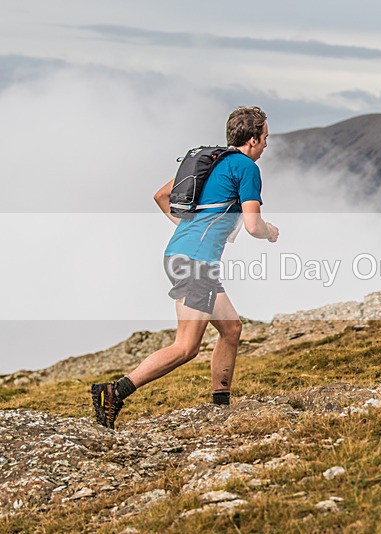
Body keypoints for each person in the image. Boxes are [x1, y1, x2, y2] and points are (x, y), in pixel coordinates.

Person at [91, 106, 280, 429]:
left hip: (182, 254)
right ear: (252, 140)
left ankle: (220, 405)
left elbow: (161, 195)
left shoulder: (213, 161)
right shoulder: (246, 168)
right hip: (196, 262)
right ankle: (115, 392)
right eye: (264, 138)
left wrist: (187, 228)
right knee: (186, 346)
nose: (266, 144)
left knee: (231, 329)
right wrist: (269, 232)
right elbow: (252, 225)